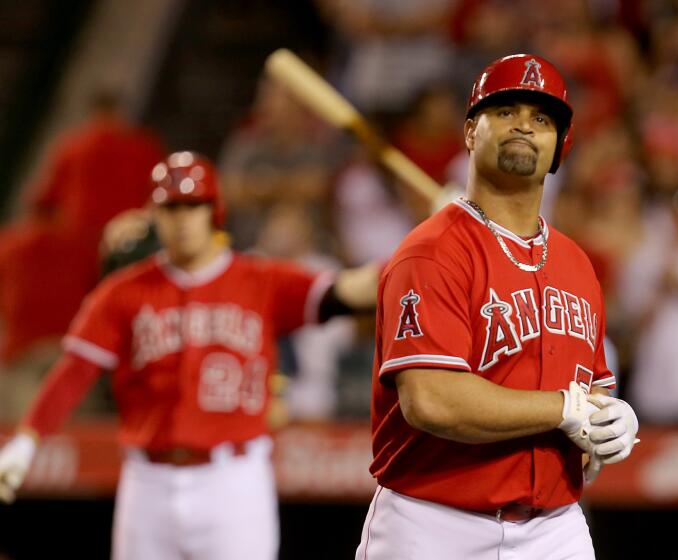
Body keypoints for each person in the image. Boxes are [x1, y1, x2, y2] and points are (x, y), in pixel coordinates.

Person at [0, 151, 378, 560]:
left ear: (213, 211)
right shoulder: (123, 291)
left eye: (192, 205)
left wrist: (428, 240)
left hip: (233, 479)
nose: (182, 219)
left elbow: (350, 292)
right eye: (170, 207)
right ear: (154, 215)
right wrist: (28, 437)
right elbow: (75, 370)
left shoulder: (260, 279)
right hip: (147, 480)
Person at [355, 54, 639, 560]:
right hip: (434, 522)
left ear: (558, 150)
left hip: (555, 529)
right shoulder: (431, 251)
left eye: (542, 118)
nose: (525, 125)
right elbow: (431, 400)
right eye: (506, 111)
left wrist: (607, 424)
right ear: (470, 133)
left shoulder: (576, 265)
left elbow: (589, 388)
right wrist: (563, 409)